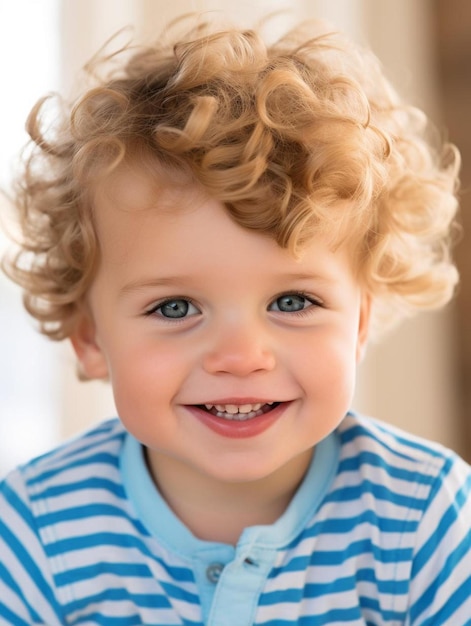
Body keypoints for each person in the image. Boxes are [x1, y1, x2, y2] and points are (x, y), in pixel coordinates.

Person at [1, 13, 470, 626]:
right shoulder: (36, 530)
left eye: (293, 302)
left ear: (359, 323)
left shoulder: (427, 519)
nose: (243, 355)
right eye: (175, 308)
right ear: (89, 337)